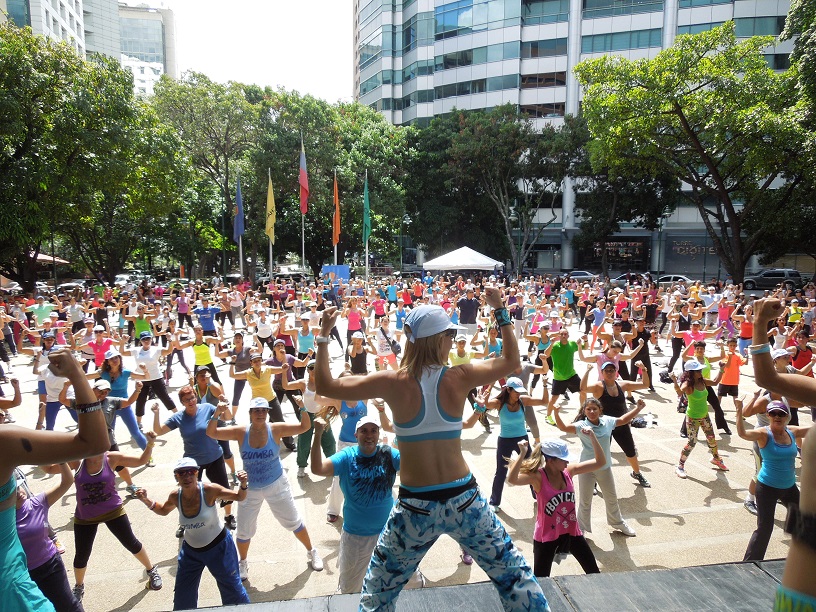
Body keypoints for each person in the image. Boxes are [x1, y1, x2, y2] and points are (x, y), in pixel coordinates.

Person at [315, 295, 548, 612]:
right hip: (464, 500)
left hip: (416, 507)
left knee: (377, 594)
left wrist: (324, 334)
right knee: (516, 578)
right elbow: (511, 361)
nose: (452, 339)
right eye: (449, 334)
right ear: (439, 339)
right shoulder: (458, 376)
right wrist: (499, 310)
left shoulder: (392, 382)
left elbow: (326, 386)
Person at [206, 395, 324, 580]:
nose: (260, 414)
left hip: (276, 484)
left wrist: (302, 406)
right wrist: (217, 412)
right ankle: (243, 561)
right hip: (249, 489)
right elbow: (212, 433)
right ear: (250, 413)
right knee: (244, 529)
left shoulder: (275, 429)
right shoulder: (240, 432)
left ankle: (311, 551)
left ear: (268, 413)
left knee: (293, 520)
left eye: (264, 410)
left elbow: (304, 427)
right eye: (256, 411)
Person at [310, 413, 424, 593]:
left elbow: (417, 466)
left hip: (389, 533)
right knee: (350, 588)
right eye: (364, 431)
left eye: (373, 430)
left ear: (378, 434)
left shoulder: (388, 454)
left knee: (412, 581)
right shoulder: (347, 456)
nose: (369, 435)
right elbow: (317, 468)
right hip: (356, 537)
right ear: (356, 435)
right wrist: (317, 434)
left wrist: (409, 433)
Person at [134, 458, 250, 611]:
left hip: (219, 548)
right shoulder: (175, 496)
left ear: (197, 474)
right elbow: (163, 510)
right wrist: (145, 500)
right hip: (191, 552)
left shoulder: (209, 490)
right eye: (181, 473)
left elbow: (239, 496)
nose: (187, 476)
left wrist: (243, 484)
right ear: (176, 477)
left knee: (233, 591)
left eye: (191, 472)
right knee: (183, 596)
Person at [69, 432, 161, 603]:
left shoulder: (112, 458)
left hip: (113, 510)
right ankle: (78, 587)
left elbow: (141, 460)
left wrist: (150, 444)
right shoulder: (77, 460)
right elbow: (50, 467)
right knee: (81, 555)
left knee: (131, 542)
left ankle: (151, 570)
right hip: (85, 516)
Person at [506, 434, 604, 578]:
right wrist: (522, 454)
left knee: (594, 573)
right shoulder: (538, 477)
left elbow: (600, 462)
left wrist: (593, 437)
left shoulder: (569, 471)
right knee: (542, 579)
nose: (567, 461)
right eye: (563, 459)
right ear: (551, 460)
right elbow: (512, 479)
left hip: (571, 532)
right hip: (546, 536)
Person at [152, 387, 237, 533]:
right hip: (192, 462)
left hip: (214, 457)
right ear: (182, 402)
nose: (191, 401)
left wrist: (225, 405)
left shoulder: (208, 408)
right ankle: (184, 522)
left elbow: (227, 417)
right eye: (187, 400)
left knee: (223, 489)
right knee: (187, 493)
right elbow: (158, 431)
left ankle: (228, 516)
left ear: (196, 396)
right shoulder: (178, 417)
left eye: (192, 397)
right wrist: (156, 413)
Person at [552, 397, 641, 537]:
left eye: (594, 409)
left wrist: (638, 408)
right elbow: (563, 427)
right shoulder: (581, 425)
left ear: (600, 410)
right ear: (584, 411)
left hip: (604, 467)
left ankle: (617, 522)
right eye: (588, 409)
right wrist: (556, 413)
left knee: (611, 498)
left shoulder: (607, 421)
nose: (592, 412)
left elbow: (623, 420)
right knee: (585, 501)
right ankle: (581, 529)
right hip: (585, 468)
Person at [737, 399, 811, 560]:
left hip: (789, 487)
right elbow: (743, 434)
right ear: (768, 415)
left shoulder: (792, 431)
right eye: (773, 413)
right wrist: (738, 412)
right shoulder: (763, 434)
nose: (777, 416)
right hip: (767, 488)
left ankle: (803, 557)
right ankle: (749, 563)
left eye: (781, 414)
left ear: (787, 416)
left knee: (804, 519)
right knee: (765, 528)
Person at [15, 463, 81, 612]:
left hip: (50, 566)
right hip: (23, 575)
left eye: (19, 487)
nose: (19, 492)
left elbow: (66, 481)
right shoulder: (4, 519)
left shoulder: (36, 503)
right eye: (13, 490)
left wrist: (61, 461)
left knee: (68, 605)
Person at [476, 377, 546, 512]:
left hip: (523, 440)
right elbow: (486, 405)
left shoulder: (523, 400)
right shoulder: (499, 403)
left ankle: (538, 495)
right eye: (516, 391)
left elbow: (544, 401)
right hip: (505, 441)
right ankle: (494, 502)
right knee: (501, 472)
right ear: (508, 390)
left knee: (532, 469)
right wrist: (490, 385)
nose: (518, 394)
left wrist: (544, 385)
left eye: (520, 391)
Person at [580, 361, 652, 487]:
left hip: (621, 424)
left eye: (612, 370)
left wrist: (644, 369)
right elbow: (583, 388)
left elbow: (645, 384)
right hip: (603, 426)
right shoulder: (598, 386)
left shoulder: (622, 385)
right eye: (606, 370)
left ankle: (637, 473)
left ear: (616, 372)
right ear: (602, 373)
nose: (609, 372)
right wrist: (587, 371)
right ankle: (594, 480)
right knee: (599, 454)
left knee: (630, 451)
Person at [281, 360, 337, 480]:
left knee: (329, 441)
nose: (314, 371)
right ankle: (301, 466)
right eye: (311, 368)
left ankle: (332, 464)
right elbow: (286, 386)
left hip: (322, 415)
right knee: (304, 442)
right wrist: (284, 372)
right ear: (307, 370)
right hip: (307, 415)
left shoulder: (324, 382)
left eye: (317, 368)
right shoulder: (303, 383)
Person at [675, 359, 728, 478]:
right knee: (692, 443)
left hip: (704, 416)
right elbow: (679, 392)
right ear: (691, 373)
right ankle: (680, 466)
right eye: (697, 370)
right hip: (692, 418)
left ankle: (716, 459)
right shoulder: (688, 385)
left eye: (700, 369)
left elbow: (715, 382)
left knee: (712, 439)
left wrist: (721, 369)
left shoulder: (703, 381)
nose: (700, 372)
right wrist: (674, 380)